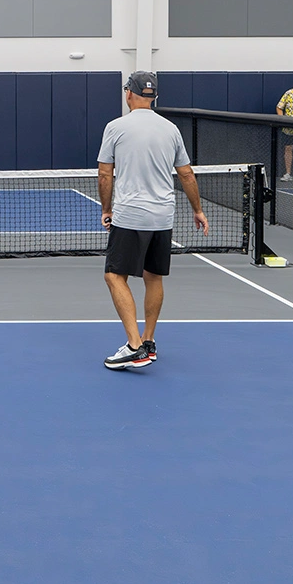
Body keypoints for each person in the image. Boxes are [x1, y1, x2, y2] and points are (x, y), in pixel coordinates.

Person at [98, 72, 208, 370]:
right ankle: (149, 341)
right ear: (153, 96)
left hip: (131, 215)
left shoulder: (116, 127)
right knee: (153, 277)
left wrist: (106, 208)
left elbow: (105, 173)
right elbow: (186, 173)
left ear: (128, 94)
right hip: (162, 216)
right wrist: (197, 210)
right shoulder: (170, 129)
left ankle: (134, 346)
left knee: (113, 276)